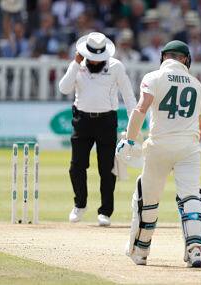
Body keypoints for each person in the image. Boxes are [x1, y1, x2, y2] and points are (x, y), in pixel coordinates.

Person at [116, 40, 201, 267]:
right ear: (185, 59)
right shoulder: (196, 83)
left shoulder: (153, 77)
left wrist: (129, 140)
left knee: (148, 199)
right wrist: (189, 145)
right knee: (191, 196)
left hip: (159, 145)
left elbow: (141, 108)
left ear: (164, 57)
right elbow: (200, 125)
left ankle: (140, 251)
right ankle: (196, 249)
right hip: (189, 147)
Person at [58, 32, 137, 226]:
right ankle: (80, 205)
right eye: (91, 59)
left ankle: (105, 212)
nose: (94, 62)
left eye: (98, 59)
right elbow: (64, 88)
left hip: (106, 121)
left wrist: (134, 122)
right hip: (82, 120)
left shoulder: (116, 66)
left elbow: (128, 96)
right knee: (77, 165)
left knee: (107, 168)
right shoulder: (78, 66)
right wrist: (75, 64)